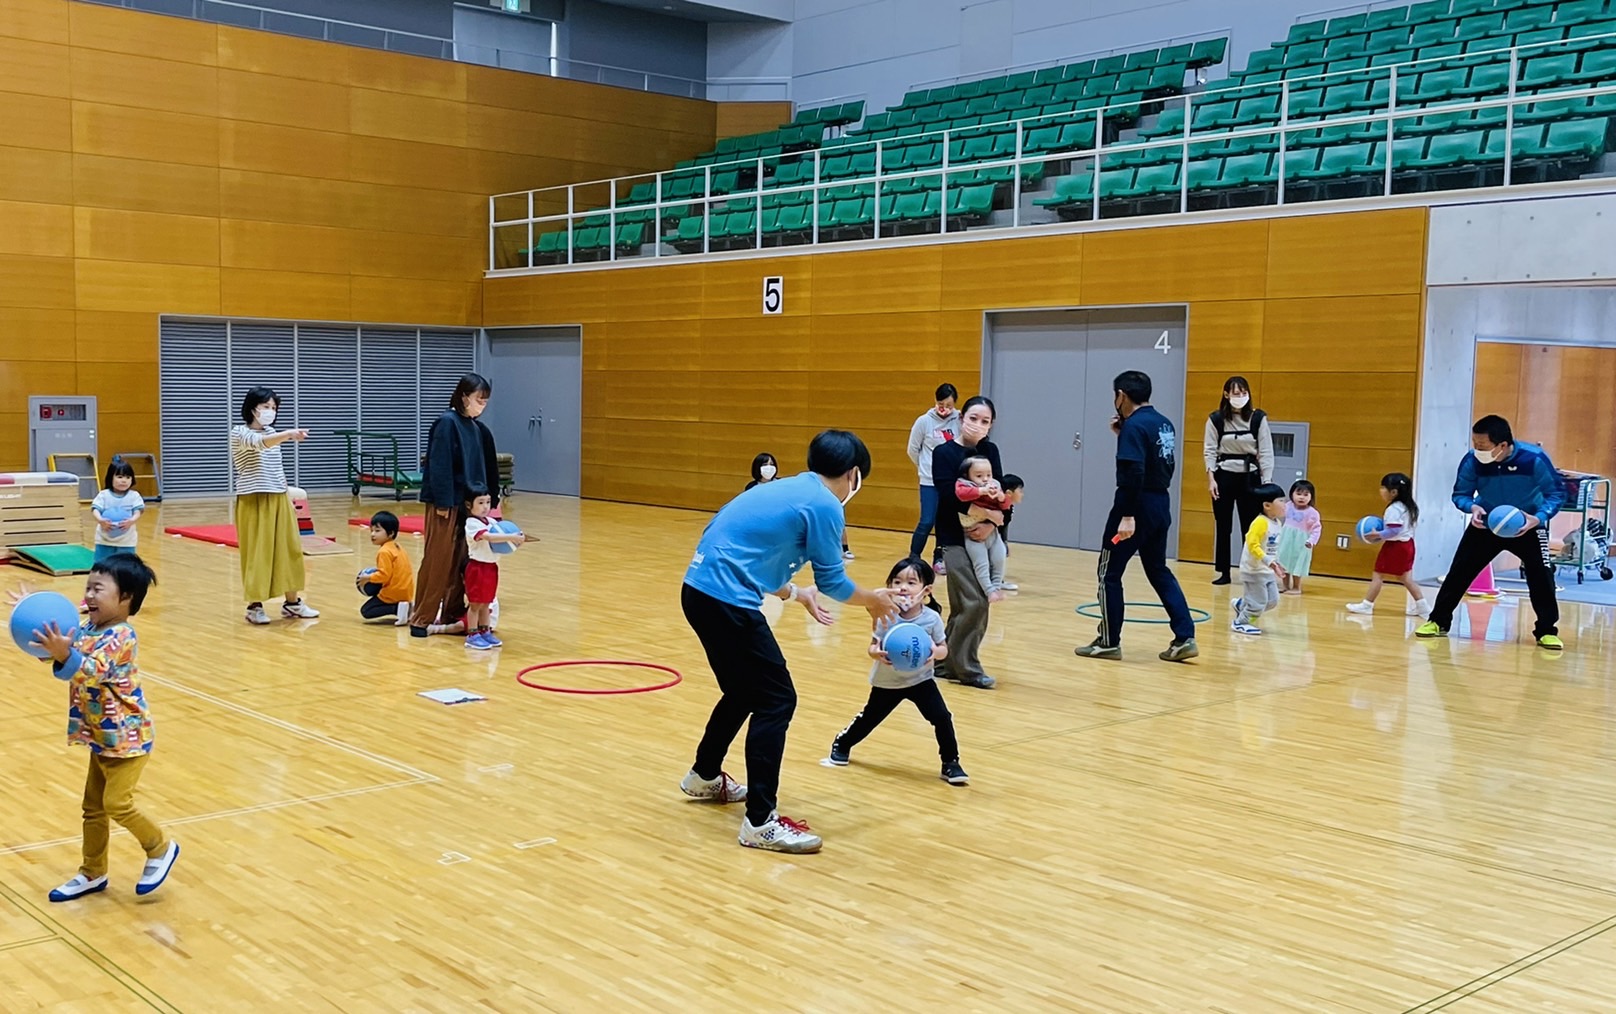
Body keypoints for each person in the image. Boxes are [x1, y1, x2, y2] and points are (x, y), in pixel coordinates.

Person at [679, 430, 895, 854]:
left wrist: (796, 594)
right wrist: (871, 600)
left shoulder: (787, 488)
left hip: (698, 590)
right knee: (777, 698)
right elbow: (833, 580)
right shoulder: (825, 504)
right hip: (727, 601)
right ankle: (760, 822)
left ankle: (704, 776)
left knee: (744, 691)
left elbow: (742, 546)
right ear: (854, 475)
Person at [10, 554, 180, 902]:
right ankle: (92, 872)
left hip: (128, 740)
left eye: (98, 589)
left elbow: (90, 669)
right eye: (87, 587)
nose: (87, 595)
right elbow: (62, 653)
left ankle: (160, 848)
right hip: (102, 737)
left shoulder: (121, 636)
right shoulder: (88, 627)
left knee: (117, 804)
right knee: (93, 808)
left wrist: (62, 653)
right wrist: (34, 617)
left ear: (125, 598)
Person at [1077, 371, 1199, 662]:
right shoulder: (1163, 423)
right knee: (1158, 569)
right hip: (1160, 505)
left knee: (1109, 573)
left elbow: (1133, 472)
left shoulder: (1134, 427)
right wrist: (1124, 433)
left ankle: (1108, 641)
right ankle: (1184, 637)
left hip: (1134, 508)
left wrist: (1127, 515)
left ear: (1121, 395)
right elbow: (1155, 461)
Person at [1417, 416, 1564, 648]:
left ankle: (1547, 630)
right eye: (1475, 444)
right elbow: (1461, 494)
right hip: (1486, 524)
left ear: (1502, 445)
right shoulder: (1472, 461)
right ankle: (1438, 621)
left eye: (1482, 446)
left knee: (1542, 577)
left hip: (1527, 525)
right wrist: (1472, 507)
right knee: (1459, 572)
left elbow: (1556, 493)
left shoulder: (1533, 459)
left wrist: (1538, 518)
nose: (1477, 450)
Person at [828, 557, 967, 786]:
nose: (903, 587)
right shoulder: (886, 615)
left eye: (911, 582)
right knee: (869, 719)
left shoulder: (931, 618)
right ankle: (842, 743)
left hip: (921, 680)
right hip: (888, 681)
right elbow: (873, 646)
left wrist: (935, 652)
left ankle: (951, 763)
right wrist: (876, 654)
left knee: (942, 717)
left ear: (926, 590)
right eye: (897, 581)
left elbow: (943, 649)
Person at [410, 374, 501, 638]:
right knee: (438, 561)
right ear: (464, 397)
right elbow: (438, 465)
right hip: (446, 504)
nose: (482, 404)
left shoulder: (477, 428)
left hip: (469, 506)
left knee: (464, 562)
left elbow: (487, 468)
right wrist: (442, 503)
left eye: (485, 401)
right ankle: (421, 618)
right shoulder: (447, 423)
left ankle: (451, 613)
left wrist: (488, 503)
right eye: (478, 399)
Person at [931, 396, 1004, 689]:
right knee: (975, 601)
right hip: (953, 536)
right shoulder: (944, 452)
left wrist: (993, 523)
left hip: (985, 537)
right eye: (973, 418)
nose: (978, 425)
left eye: (985, 421)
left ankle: (943, 662)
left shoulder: (990, 451)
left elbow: (999, 489)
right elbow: (948, 494)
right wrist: (985, 513)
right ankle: (968, 669)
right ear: (962, 418)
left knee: (963, 605)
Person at [230, 387, 318, 626]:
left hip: (279, 497)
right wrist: (288, 434)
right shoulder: (239, 432)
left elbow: (274, 461)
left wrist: (286, 494)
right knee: (259, 553)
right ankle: (254, 606)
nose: (270, 412)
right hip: (254, 499)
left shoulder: (272, 433)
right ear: (252, 408)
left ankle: (292, 603)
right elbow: (259, 444)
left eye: (274, 408)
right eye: (266, 407)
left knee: (288, 549)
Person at [1203, 376, 1273, 586]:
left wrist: (1266, 483)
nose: (1240, 397)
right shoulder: (1215, 419)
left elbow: (1266, 451)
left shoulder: (1258, 418)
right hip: (1223, 476)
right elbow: (1209, 450)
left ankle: (1250, 571)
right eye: (1235, 393)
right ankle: (1223, 571)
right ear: (1226, 394)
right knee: (1223, 526)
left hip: (1250, 477)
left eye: (1243, 393)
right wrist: (1211, 479)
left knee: (1250, 527)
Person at [1345, 473, 1429, 617]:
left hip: (1396, 547)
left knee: (1378, 575)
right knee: (1405, 578)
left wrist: (1376, 535)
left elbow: (1394, 530)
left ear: (1394, 492)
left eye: (1383, 487)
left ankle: (1367, 605)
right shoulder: (1407, 506)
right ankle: (1422, 607)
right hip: (1407, 545)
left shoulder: (1394, 509)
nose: (1381, 490)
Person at [906, 383, 960, 570]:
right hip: (929, 480)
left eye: (949, 406)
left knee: (944, 521)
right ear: (935, 401)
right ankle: (914, 557)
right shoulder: (924, 421)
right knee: (927, 520)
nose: (944, 409)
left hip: (951, 481)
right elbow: (913, 449)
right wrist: (925, 467)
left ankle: (939, 558)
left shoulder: (959, 420)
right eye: (940, 404)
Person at [463, 493, 527, 650]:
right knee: (475, 604)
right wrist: (510, 537)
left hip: (491, 567)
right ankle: (472, 635)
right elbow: (489, 537)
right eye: (480, 502)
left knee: (487, 602)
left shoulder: (491, 522)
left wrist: (517, 539)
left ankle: (485, 631)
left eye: (488, 502)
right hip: (477, 568)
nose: (485, 506)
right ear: (469, 505)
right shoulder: (471, 523)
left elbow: (500, 536)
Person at [1231, 484, 1288, 636]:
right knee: (1258, 603)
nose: (1285, 505)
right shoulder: (1260, 522)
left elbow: (1272, 546)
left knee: (1272, 601)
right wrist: (1268, 560)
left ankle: (1242, 604)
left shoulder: (1277, 523)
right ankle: (1242, 622)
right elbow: (1252, 544)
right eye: (1281, 501)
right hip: (1254, 570)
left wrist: (1276, 562)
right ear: (1267, 505)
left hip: (1266, 569)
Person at [954, 455, 1009, 603]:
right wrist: (982, 491)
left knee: (1000, 557)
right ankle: (989, 590)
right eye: (979, 475)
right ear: (967, 475)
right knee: (981, 563)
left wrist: (1001, 497)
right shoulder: (964, 484)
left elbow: (1006, 506)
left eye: (989, 475)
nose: (985, 479)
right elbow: (961, 495)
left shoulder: (994, 485)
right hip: (972, 533)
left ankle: (996, 587)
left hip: (993, 532)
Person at [358, 510, 415, 625]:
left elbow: (384, 576)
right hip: (406, 591)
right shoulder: (398, 547)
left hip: (393, 592)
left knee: (366, 611)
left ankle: (397, 609)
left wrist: (368, 578)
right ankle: (407, 606)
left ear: (391, 533)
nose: (373, 534)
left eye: (377, 531)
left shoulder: (384, 551)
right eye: (372, 530)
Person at [91, 458, 144, 564]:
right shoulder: (104, 495)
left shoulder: (134, 496)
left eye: (128, 477)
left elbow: (138, 511)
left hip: (126, 539)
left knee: (126, 564)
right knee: (102, 563)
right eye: (119, 477)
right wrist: (101, 520)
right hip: (104, 538)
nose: (124, 480)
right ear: (111, 478)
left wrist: (131, 521)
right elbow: (95, 509)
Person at [1276, 480, 1321, 595]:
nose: (1302, 497)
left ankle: (1296, 587)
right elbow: (1277, 513)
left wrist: (1311, 541)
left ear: (1311, 497)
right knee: (1284, 561)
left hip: (1301, 542)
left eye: (1306, 495)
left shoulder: (1312, 513)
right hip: (1286, 539)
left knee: (1298, 563)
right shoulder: (1288, 506)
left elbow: (1316, 529)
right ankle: (1285, 585)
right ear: (1292, 494)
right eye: (1299, 494)